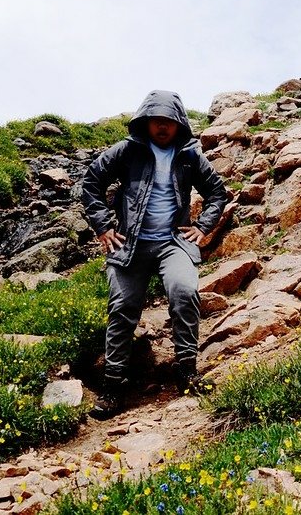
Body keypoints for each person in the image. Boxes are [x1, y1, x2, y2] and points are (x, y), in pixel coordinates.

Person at [81, 90, 228, 420]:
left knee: (184, 292)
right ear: (145, 123)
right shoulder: (127, 151)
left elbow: (218, 192)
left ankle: (186, 371)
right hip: (128, 244)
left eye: (169, 122)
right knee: (122, 308)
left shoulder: (190, 155)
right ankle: (113, 386)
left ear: (179, 125)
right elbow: (91, 181)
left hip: (173, 243)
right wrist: (103, 225)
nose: (162, 127)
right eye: (156, 121)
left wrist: (203, 225)